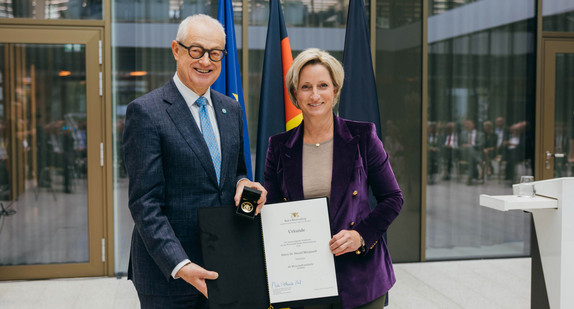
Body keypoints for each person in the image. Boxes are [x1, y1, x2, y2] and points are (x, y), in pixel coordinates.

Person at [122, 14, 266, 309]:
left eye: (215, 53)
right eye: (196, 50)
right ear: (177, 49)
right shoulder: (146, 112)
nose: (206, 61)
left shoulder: (232, 110)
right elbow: (144, 203)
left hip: (223, 261)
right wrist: (180, 264)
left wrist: (244, 184)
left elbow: (236, 171)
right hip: (169, 274)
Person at [263, 48, 403, 309]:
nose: (315, 95)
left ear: (335, 91)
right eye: (306, 87)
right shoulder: (279, 147)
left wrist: (360, 235)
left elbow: (393, 198)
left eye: (323, 85)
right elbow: (271, 207)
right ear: (295, 94)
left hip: (361, 277)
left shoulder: (363, 136)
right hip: (304, 279)